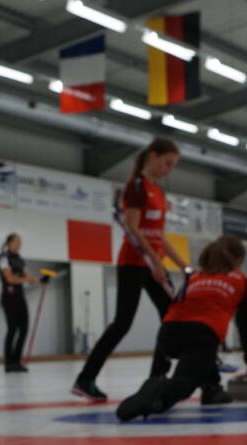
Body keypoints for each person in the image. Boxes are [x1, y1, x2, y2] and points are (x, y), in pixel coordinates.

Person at [72, 137, 191, 402]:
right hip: (133, 263)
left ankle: (157, 378)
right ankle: (86, 378)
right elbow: (134, 230)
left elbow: (159, 236)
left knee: (171, 317)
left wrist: (183, 265)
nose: (168, 170)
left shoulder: (158, 191)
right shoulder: (136, 187)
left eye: (173, 166)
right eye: (167, 163)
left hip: (153, 263)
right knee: (122, 323)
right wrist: (156, 262)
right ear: (152, 156)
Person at [116, 236, 247, 421]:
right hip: (201, 335)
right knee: (185, 382)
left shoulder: (194, 277)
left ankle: (209, 389)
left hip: (167, 335)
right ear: (237, 261)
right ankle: (158, 399)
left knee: (204, 357)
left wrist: (158, 369)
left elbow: (175, 307)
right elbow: (246, 326)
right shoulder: (241, 281)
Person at [0, 233, 45, 373]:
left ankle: (17, 361)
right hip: (9, 297)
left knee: (24, 328)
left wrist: (41, 280)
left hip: (19, 296)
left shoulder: (20, 259)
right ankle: (9, 363)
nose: (19, 244)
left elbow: (27, 276)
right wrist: (25, 280)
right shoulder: (3, 258)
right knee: (12, 329)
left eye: (20, 242)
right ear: (9, 243)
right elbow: (9, 278)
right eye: (17, 242)